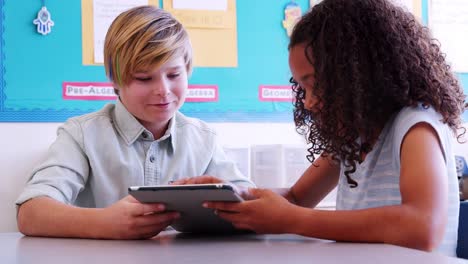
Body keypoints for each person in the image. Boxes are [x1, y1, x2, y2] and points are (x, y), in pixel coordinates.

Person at [201, 0, 467, 257]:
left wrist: (292, 220)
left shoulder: (416, 127)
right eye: (301, 88)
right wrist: (237, 197)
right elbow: (296, 197)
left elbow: (423, 227)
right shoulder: (353, 135)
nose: (307, 101)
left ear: (360, 73)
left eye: (314, 84)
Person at [16, 5, 253, 239]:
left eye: (174, 75)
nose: (163, 90)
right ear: (115, 81)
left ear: (188, 71)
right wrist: (103, 223)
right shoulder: (81, 135)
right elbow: (30, 213)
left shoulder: (203, 139)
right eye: (144, 78)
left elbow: (252, 205)